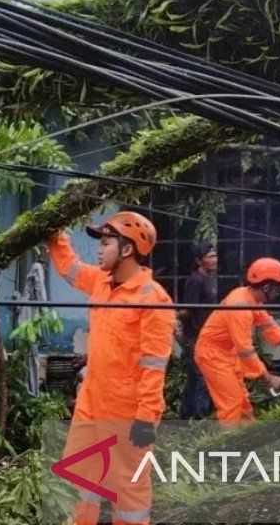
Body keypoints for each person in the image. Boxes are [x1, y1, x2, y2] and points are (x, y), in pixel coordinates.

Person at [47, 212, 175, 525]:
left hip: (128, 412)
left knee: (128, 489)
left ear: (128, 250)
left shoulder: (153, 298)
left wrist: (145, 419)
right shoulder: (102, 283)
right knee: (77, 478)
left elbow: (154, 366)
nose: (99, 250)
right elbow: (69, 267)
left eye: (106, 243)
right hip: (92, 403)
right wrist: (52, 233)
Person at [194, 256, 280, 426]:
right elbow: (245, 350)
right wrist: (269, 379)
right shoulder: (239, 307)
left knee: (243, 404)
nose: (278, 294)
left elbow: (268, 325)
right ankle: (228, 448)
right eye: (277, 289)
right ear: (266, 286)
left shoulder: (251, 299)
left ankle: (249, 444)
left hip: (227, 353)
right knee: (231, 405)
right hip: (213, 355)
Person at [177, 243, 219, 419]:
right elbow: (188, 310)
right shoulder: (195, 281)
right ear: (199, 261)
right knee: (203, 375)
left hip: (205, 335)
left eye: (215, 255)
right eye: (210, 256)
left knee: (195, 376)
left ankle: (186, 416)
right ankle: (201, 417)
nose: (214, 259)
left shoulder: (208, 280)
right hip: (194, 335)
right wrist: (171, 318)